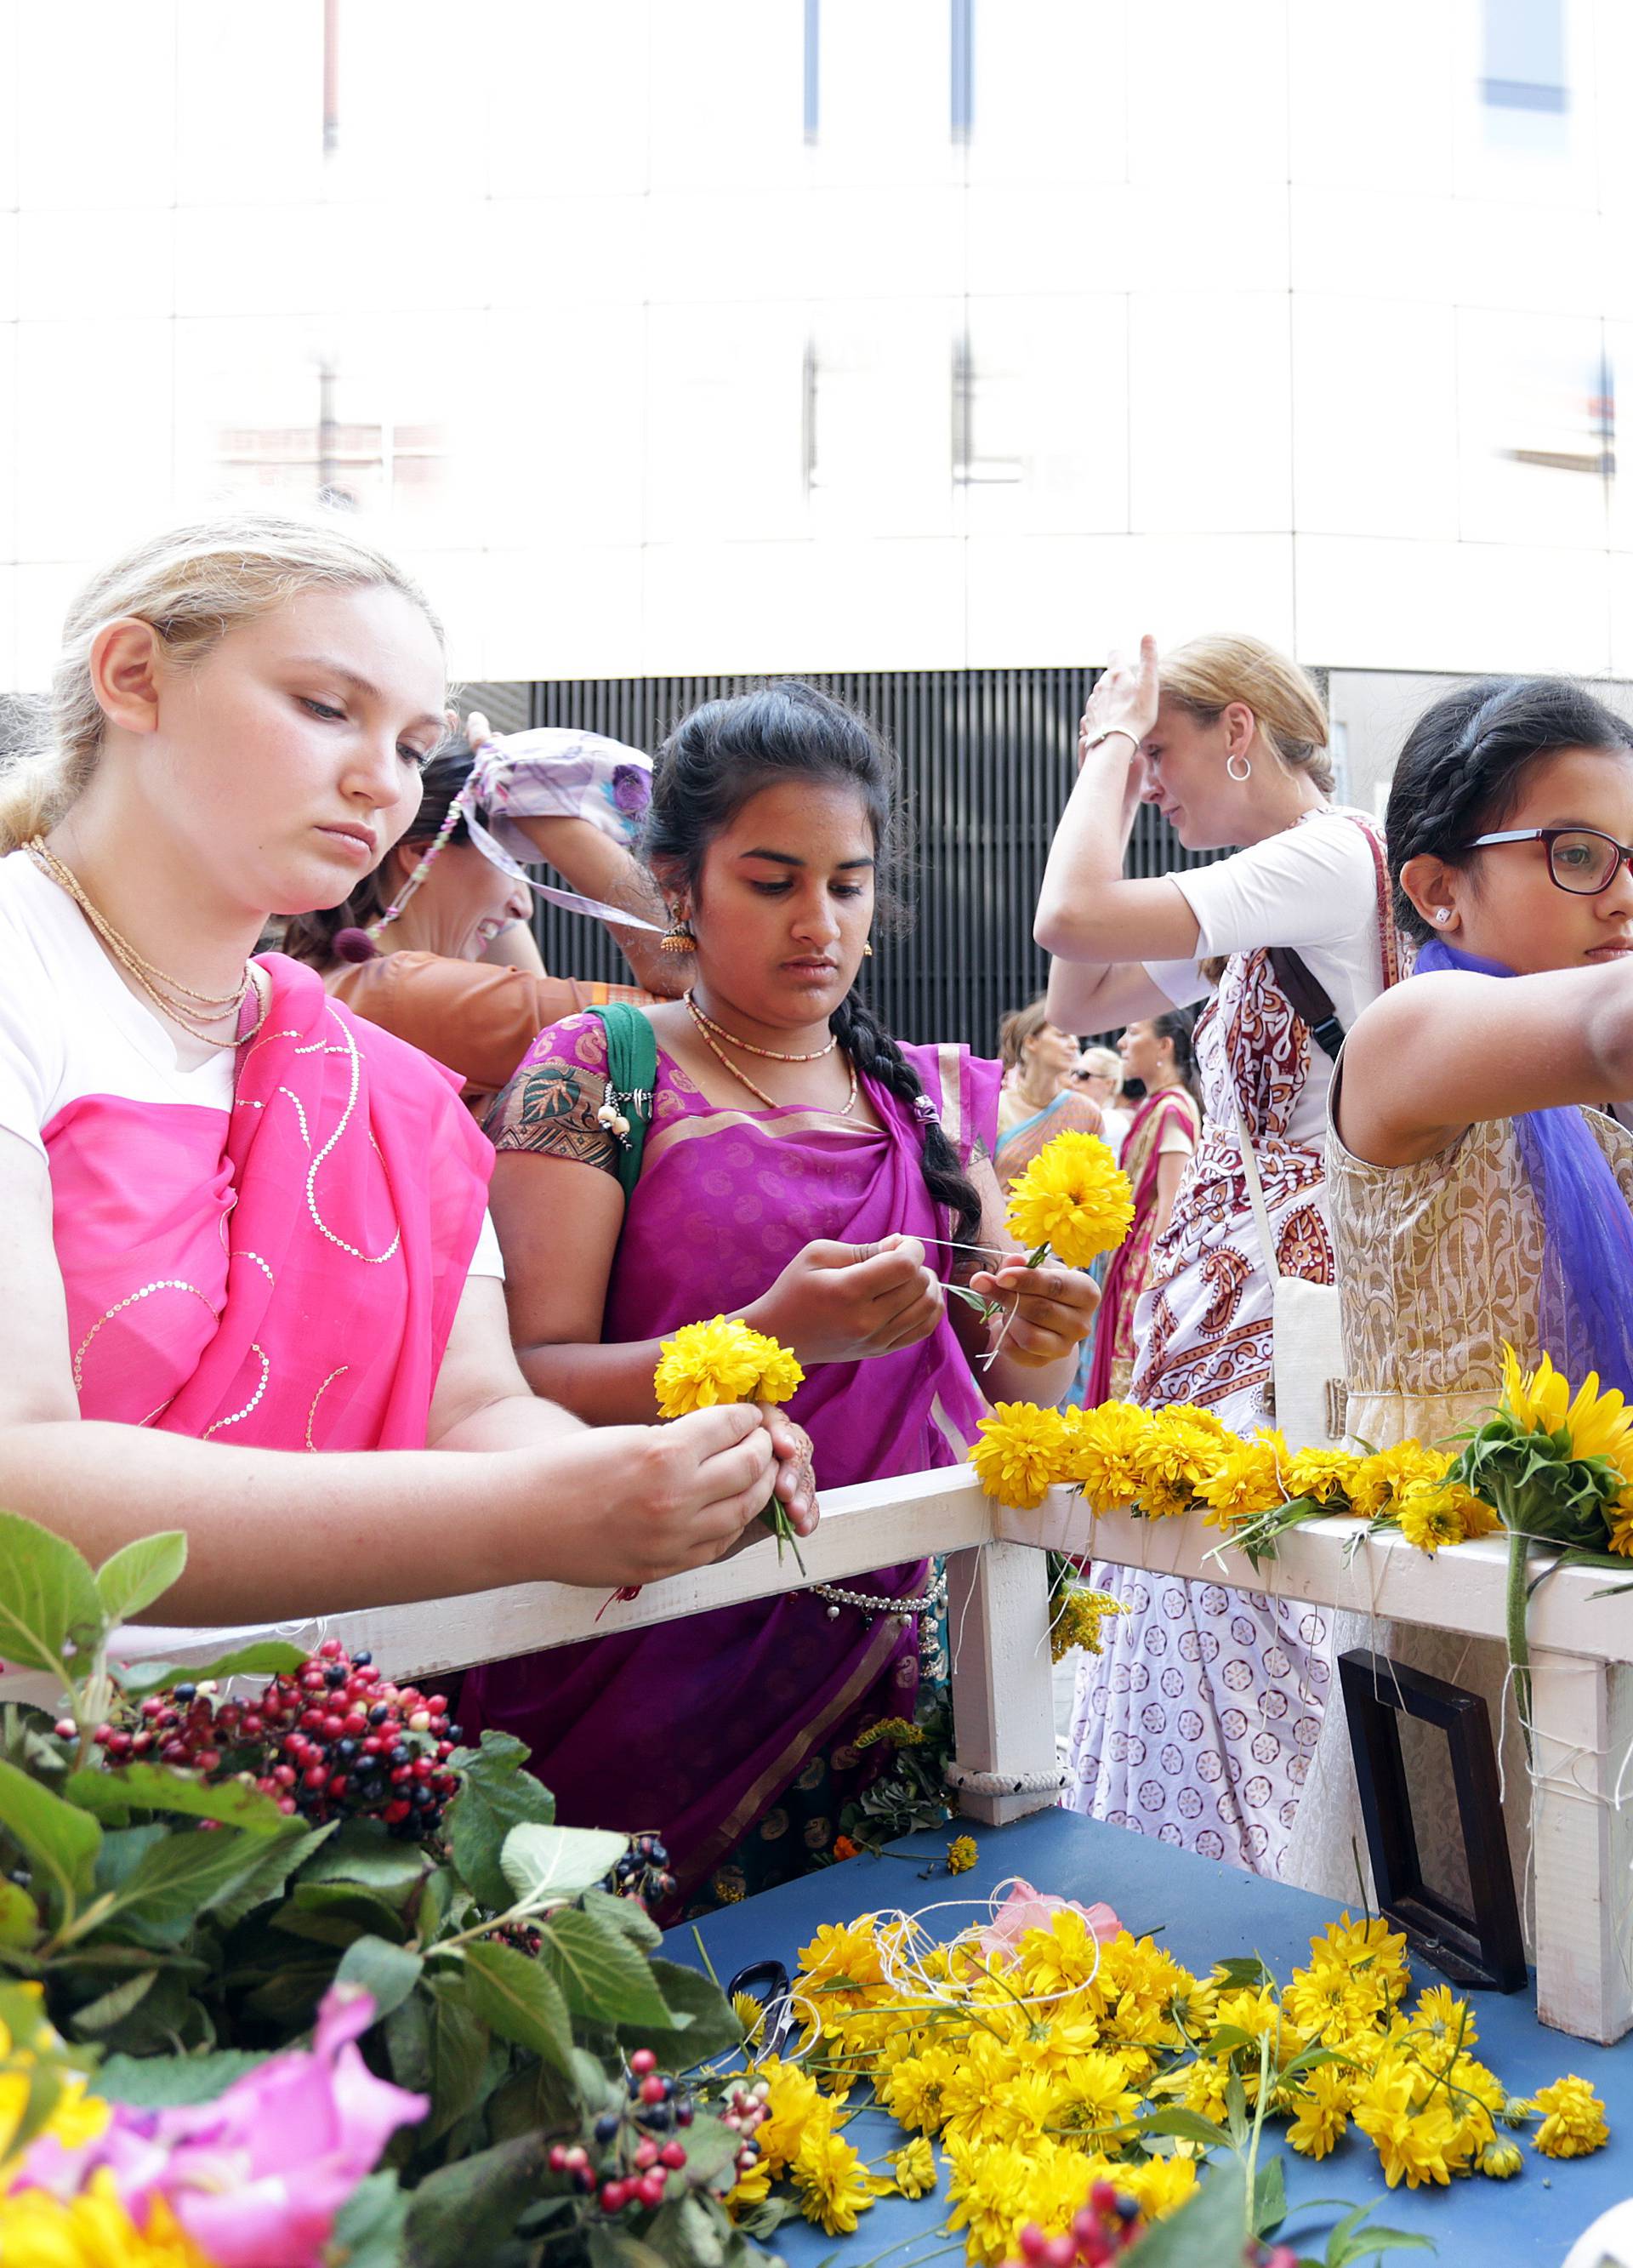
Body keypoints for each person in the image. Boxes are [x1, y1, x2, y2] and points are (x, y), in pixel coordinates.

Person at [0, 508, 812, 1626]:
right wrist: (528, 1514)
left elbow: (476, 1411)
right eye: (328, 709)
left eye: (412, 746)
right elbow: (16, 1484)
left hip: (319, 1767)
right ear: (135, 677)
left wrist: (649, 1480)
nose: (382, 783)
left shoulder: (386, 1086)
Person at [464, 681, 1101, 1907]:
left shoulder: (931, 1097)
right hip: (646, 1658)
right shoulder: (601, 1066)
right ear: (676, 885)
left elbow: (1007, 1391)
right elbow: (526, 1380)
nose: (819, 921)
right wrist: (766, 1337)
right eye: (772, 881)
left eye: (847, 884)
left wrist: (1037, 1339)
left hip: (901, 1665)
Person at [1041, 632, 1400, 1877]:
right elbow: (1078, 990)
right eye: (1136, 763)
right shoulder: (1269, 882)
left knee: (1236, 1592)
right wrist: (1118, 770)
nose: (1149, 784)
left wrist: (1096, 754)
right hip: (1222, 1309)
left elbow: (1066, 910)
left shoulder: (1324, 854)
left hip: (1287, 1312)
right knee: (1195, 1592)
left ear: (1238, 729)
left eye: (1162, 754)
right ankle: (1187, 1886)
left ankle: (1232, 1895)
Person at [1296, 675, 1633, 1904]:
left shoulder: (1587, 1114)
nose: (1625, 894)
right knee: (1467, 1977)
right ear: (1439, 887)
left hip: (1590, 1562)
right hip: (1460, 1585)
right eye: (1581, 853)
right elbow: (1609, 1026)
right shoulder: (1410, 1030)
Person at [283, 728, 677, 1113]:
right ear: (423, 854)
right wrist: (541, 810)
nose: (524, 907)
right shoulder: (411, 993)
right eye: (512, 863)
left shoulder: (343, 977)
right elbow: (700, 1008)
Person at [1081, 1011, 1201, 1405]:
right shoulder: (1159, 1105)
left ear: (1164, 1046)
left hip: (1146, 1256)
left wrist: (1155, 1279)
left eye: (1133, 1033)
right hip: (1133, 1247)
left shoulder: (1171, 1109)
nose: (1122, 1043)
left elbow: (1171, 1198)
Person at [994, 998, 1105, 1189]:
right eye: (1063, 1035)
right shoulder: (995, 1109)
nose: (1075, 1045)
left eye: (1076, 1037)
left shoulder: (1087, 1113)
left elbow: (1102, 1185)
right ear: (1031, 1042)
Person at [1070, 1046, 1131, 1159]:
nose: (1074, 1079)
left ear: (1109, 1083)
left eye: (1083, 1074)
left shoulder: (1113, 1121)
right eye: (1073, 1072)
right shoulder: (1069, 1115)